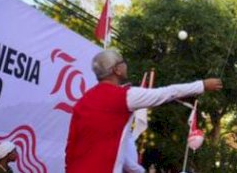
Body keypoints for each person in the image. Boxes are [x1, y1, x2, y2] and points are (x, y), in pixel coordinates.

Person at [65, 50, 223, 173]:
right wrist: (202, 85)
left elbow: (71, 145)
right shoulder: (125, 96)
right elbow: (168, 93)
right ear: (117, 70)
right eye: (123, 62)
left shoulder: (83, 101)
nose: (125, 64)